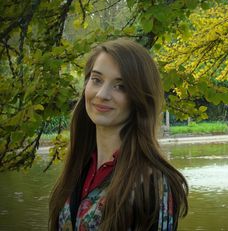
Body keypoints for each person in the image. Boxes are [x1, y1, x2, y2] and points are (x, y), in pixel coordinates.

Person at [48, 38, 188, 231]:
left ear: (140, 98)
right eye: (96, 80)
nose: (102, 94)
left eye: (120, 86)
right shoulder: (78, 166)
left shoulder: (152, 182)